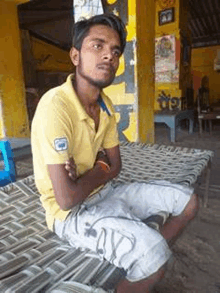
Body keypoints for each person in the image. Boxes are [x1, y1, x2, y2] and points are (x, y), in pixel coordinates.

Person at [31, 14, 199, 293]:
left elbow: (116, 165)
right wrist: (99, 168)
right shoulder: (55, 106)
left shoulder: (106, 106)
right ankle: (147, 260)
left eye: (115, 51)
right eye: (97, 46)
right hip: (70, 216)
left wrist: (91, 173)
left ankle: (141, 260)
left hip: (105, 194)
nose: (109, 55)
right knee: (155, 259)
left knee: (187, 201)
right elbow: (66, 198)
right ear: (75, 55)